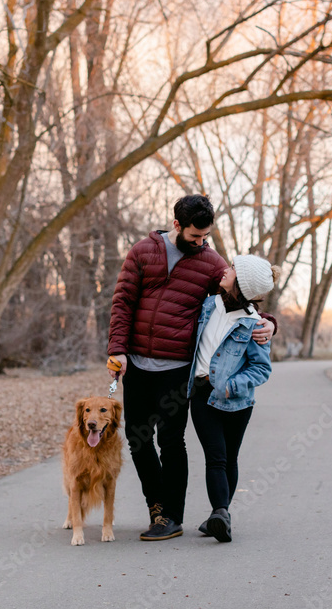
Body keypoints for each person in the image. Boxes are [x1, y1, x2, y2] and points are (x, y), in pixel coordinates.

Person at [106, 195, 276, 541]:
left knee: (171, 442)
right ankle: (156, 508)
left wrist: (270, 323)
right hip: (137, 363)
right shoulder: (142, 252)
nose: (202, 243)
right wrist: (118, 349)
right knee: (138, 439)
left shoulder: (212, 263)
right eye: (196, 236)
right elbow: (123, 301)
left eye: (207, 237)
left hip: (177, 369)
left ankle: (172, 516)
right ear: (177, 225)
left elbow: (242, 300)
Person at [187, 255, 277, 543]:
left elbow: (262, 368)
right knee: (216, 457)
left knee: (230, 458)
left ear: (241, 282)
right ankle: (220, 513)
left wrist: (232, 385)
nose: (225, 269)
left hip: (237, 402)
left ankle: (220, 515)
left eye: (232, 269)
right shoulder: (207, 306)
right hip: (202, 395)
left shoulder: (254, 325)